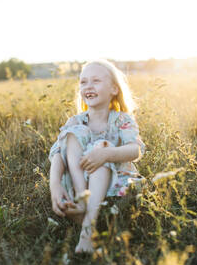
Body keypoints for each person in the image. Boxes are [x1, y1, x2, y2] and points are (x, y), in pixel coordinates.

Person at [49, 59, 145, 253]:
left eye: (95, 81)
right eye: (83, 82)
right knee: (74, 134)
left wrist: (106, 154)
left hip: (114, 182)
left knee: (101, 147)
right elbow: (58, 154)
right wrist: (55, 186)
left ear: (114, 89)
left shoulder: (121, 120)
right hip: (81, 182)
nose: (88, 86)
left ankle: (87, 229)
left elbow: (135, 150)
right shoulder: (76, 121)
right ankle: (82, 199)